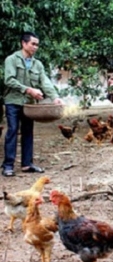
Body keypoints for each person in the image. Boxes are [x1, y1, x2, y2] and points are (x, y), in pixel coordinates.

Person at [2, 31, 63, 177]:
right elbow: (9, 80)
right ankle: (8, 165)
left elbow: (45, 82)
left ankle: (26, 164)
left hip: (29, 105)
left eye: (37, 45)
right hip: (13, 101)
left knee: (28, 132)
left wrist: (55, 97)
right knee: (12, 131)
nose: (35, 47)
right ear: (24, 43)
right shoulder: (12, 59)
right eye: (33, 44)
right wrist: (28, 90)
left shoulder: (37, 64)